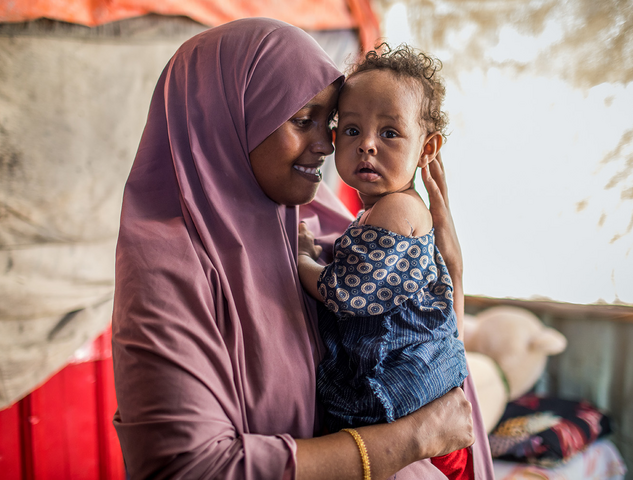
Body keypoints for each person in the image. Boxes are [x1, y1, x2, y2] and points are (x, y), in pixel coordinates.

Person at [111, 17, 494, 480]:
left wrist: (451, 271)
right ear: (228, 119)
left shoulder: (313, 221)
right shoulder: (168, 269)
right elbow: (188, 469)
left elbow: (424, 349)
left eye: (328, 123)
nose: (326, 144)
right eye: (302, 121)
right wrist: (408, 440)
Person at [297, 44, 471, 479]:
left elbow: (347, 292)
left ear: (428, 148)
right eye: (352, 130)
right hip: (412, 403)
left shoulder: (398, 210)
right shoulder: (377, 212)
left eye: (390, 133)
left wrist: (301, 260)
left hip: (402, 405)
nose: (367, 146)